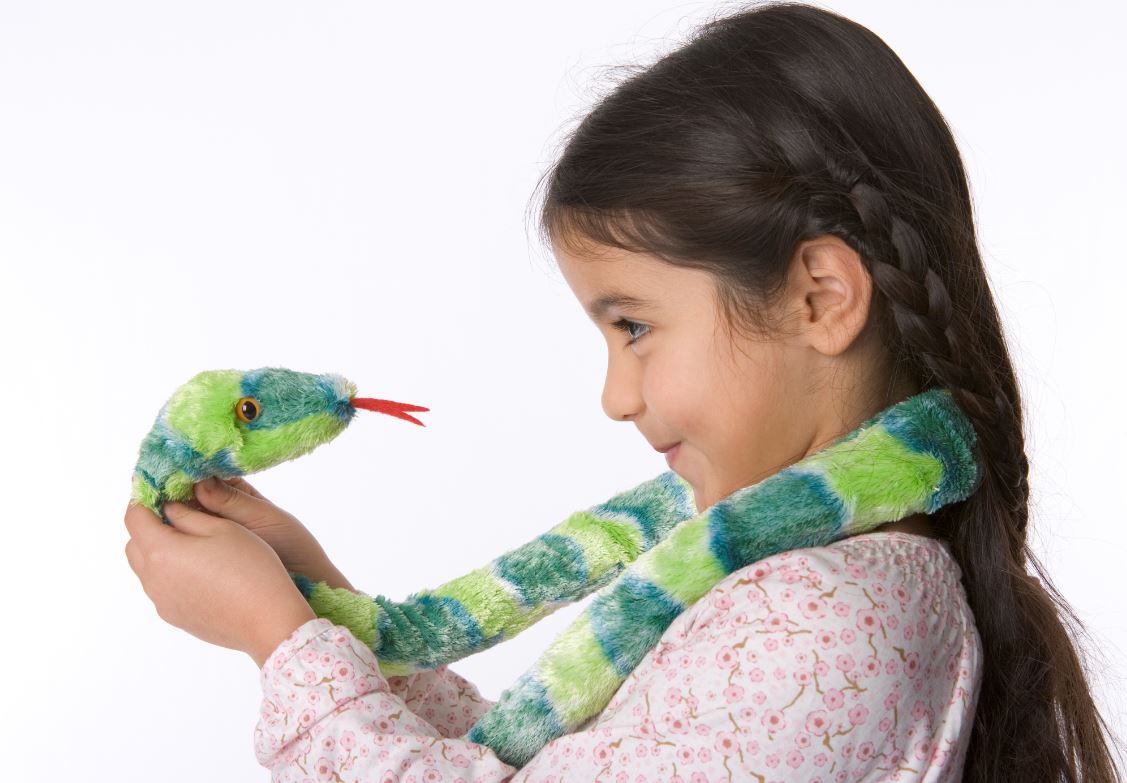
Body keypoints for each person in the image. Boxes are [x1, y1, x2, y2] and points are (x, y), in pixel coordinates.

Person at [123, 2, 1123, 781]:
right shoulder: (817, 589)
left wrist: (283, 641)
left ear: (820, 298)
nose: (613, 395)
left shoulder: (820, 626)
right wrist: (316, 597)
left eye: (633, 326)